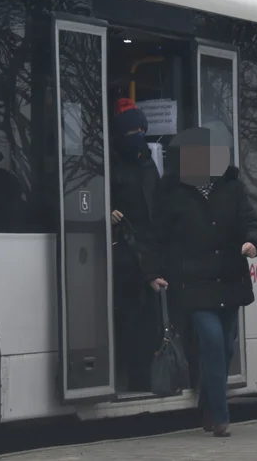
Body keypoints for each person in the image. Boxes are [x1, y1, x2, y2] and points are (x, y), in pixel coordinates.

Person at [140, 125, 257, 437]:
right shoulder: (171, 194)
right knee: (211, 341)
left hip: (229, 278)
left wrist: (253, 242)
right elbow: (155, 238)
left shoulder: (232, 187)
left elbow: (251, 221)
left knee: (224, 350)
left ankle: (209, 406)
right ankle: (221, 417)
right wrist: (153, 273)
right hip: (192, 282)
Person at [108, 98, 162, 392]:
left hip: (151, 250)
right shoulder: (109, 165)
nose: (138, 137)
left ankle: (147, 376)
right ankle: (134, 375)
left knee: (150, 320)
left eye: (142, 130)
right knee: (131, 317)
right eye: (132, 132)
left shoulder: (147, 163)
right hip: (127, 253)